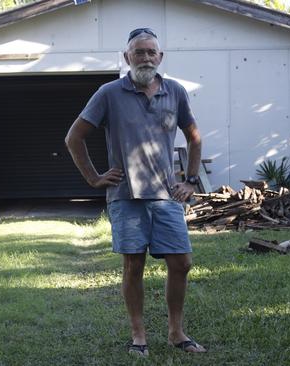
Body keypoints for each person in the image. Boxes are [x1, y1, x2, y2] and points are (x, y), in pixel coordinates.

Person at [65, 28, 206, 357]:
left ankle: (176, 332)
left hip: (167, 196)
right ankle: (138, 335)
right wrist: (94, 178)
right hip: (126, 197)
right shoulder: (109, 93)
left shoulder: (176, 92)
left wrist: (191, 180)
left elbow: (194, 137)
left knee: (182, 263)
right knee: (133, 265)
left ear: (160, 57)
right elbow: (74, 137)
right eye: (138, 52)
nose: (145, 57)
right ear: (127, 57)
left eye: (151, 51)